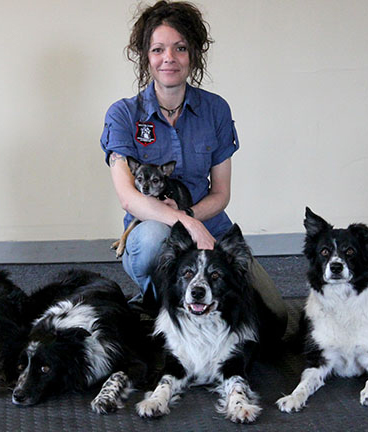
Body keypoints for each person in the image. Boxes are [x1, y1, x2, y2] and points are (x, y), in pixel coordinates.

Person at [100, 0, 286, 327]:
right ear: (146, 56)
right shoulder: (123, 114)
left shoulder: (216, 110)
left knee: (274, 321)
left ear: (193, 55)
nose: (168, 58)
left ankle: (160, 305)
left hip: (211, 230)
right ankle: (164, 307)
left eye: (180, 48)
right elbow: (129, 197)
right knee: (155, 238)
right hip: (151, 234)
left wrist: (192, 217)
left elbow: (221, 193)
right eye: (158, 49)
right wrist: (183, 223)